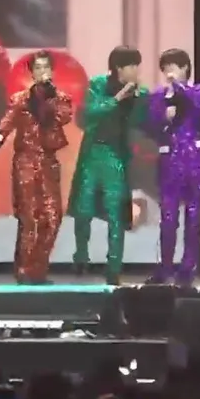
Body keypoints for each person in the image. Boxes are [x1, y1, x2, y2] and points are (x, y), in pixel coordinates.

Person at [0, 50, 75, 284]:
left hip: (48, 162)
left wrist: (49, 96)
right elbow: (9, 119)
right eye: (38, 68)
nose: (42, 71)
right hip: (25, 161)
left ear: (52, 71)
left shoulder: (61, 99)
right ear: (32, 73)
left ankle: (38, 270)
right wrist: (0, 135)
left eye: (46, 67)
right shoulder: (20, 99)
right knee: (29, 218)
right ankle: (24, 271)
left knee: (52, 217)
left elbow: (63, 117)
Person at [69, 46, 148, 285]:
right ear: (118, 68)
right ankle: (81, 256)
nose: (136, 70)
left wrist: (137, 101)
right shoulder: (98, 84)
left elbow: (143, 122)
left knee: (116, 214)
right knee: (83, 210)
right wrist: (117, 99)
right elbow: (86, 116)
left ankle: (113, 269)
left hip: (116, 156)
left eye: (137, 65)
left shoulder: (141, 93)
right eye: (131, 66)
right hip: (93, 152)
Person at [145, 49, 200, 285]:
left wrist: (179, 88)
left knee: (193, 214)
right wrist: (164, 116)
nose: (169, 71)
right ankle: (165, 268)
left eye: (174, 66)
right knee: (168, 215)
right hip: (169, 159)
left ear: (185, 68)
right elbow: (151, 125)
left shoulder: (198, 90)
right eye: (166, 67)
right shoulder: (158, 96)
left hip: (194, 159)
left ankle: (188, 268)